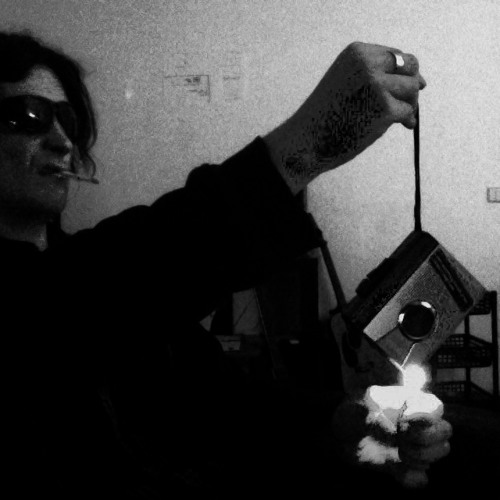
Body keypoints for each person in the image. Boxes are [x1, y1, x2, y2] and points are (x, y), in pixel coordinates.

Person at [0, 31, 452, 498]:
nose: (61, 141)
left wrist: (349, 423)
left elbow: (224, 400)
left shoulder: (106, 285)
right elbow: (79, 291)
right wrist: (306, 146)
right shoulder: (65, 291)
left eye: (68, 119)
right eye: (29, 116)